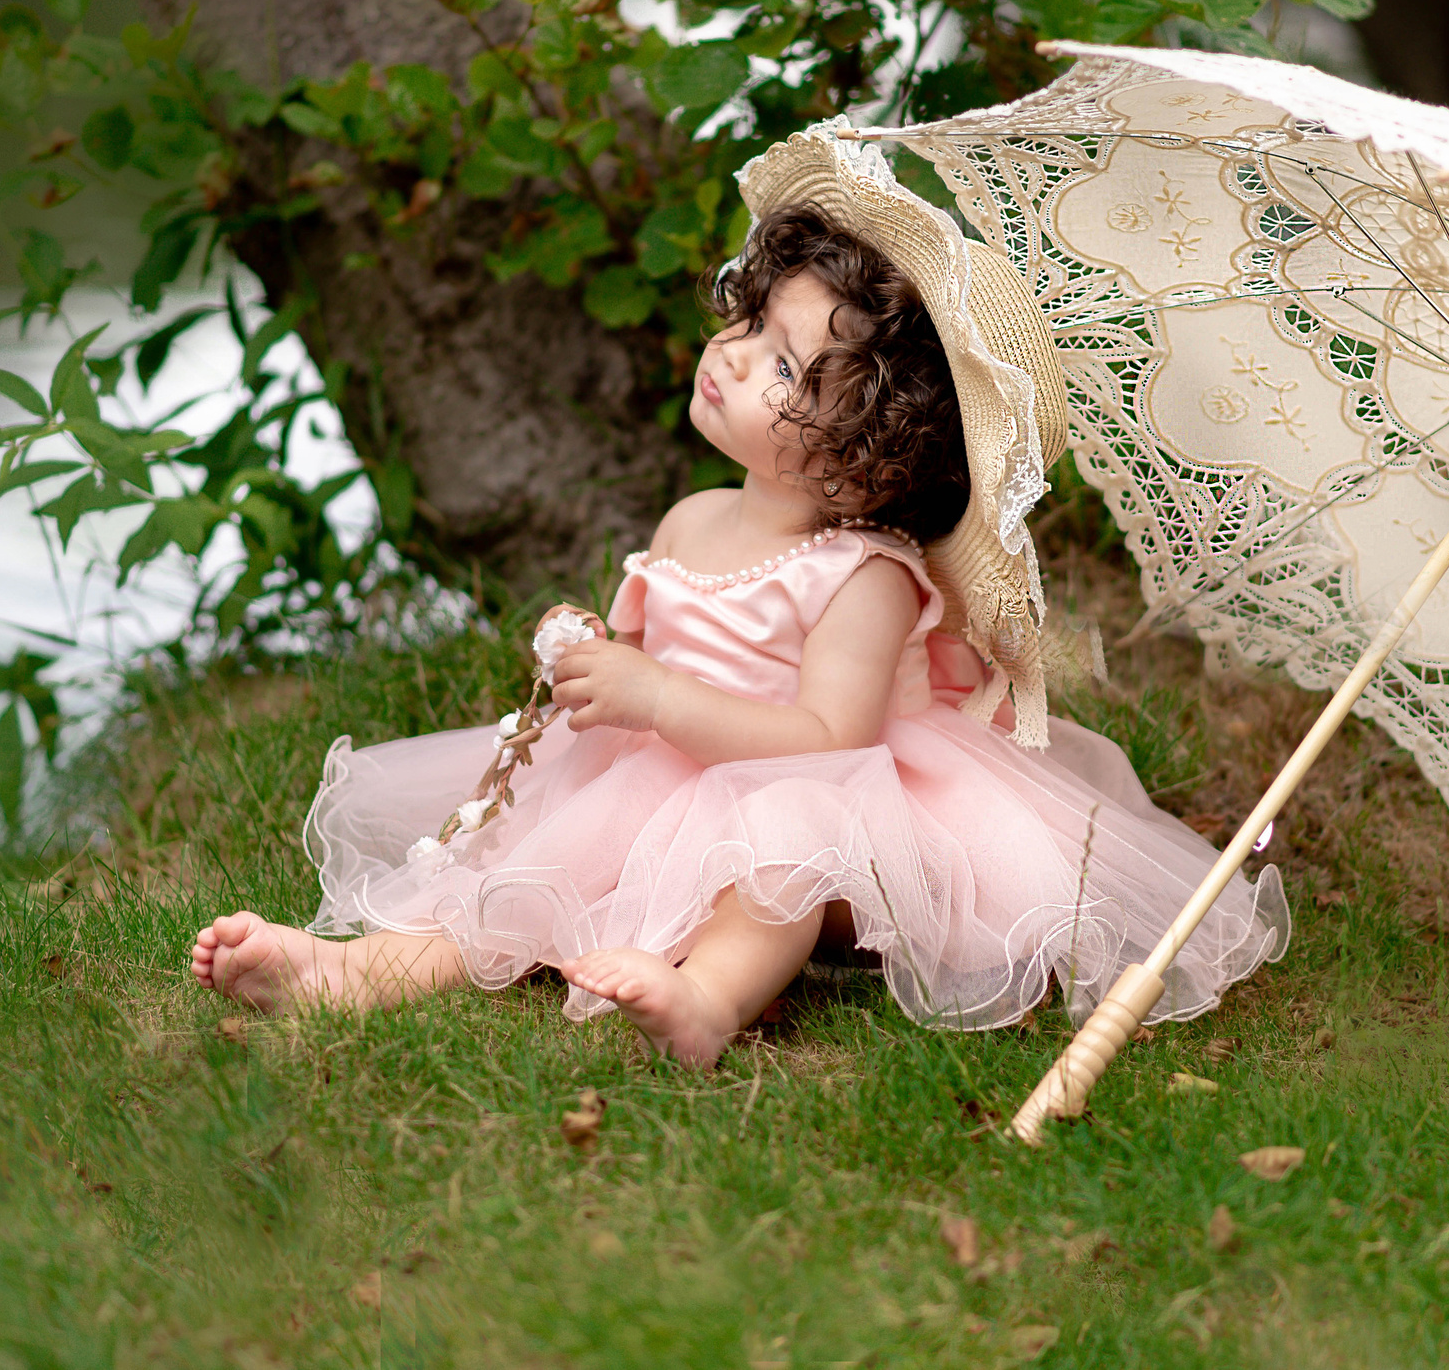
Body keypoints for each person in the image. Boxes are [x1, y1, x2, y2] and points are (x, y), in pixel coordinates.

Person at [191, 126, 1289, 1067]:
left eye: (782, 370)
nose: (734, 353)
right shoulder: (689, 520)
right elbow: (635, 647)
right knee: (530, 851)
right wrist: (587, 655)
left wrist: (656, 696)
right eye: (755, 324)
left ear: (867, 460)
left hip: (815, 791)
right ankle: (353, 973)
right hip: (665, 773)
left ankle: (710, 998)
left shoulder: (857, 576)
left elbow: (827, 741)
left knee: (784, 846)